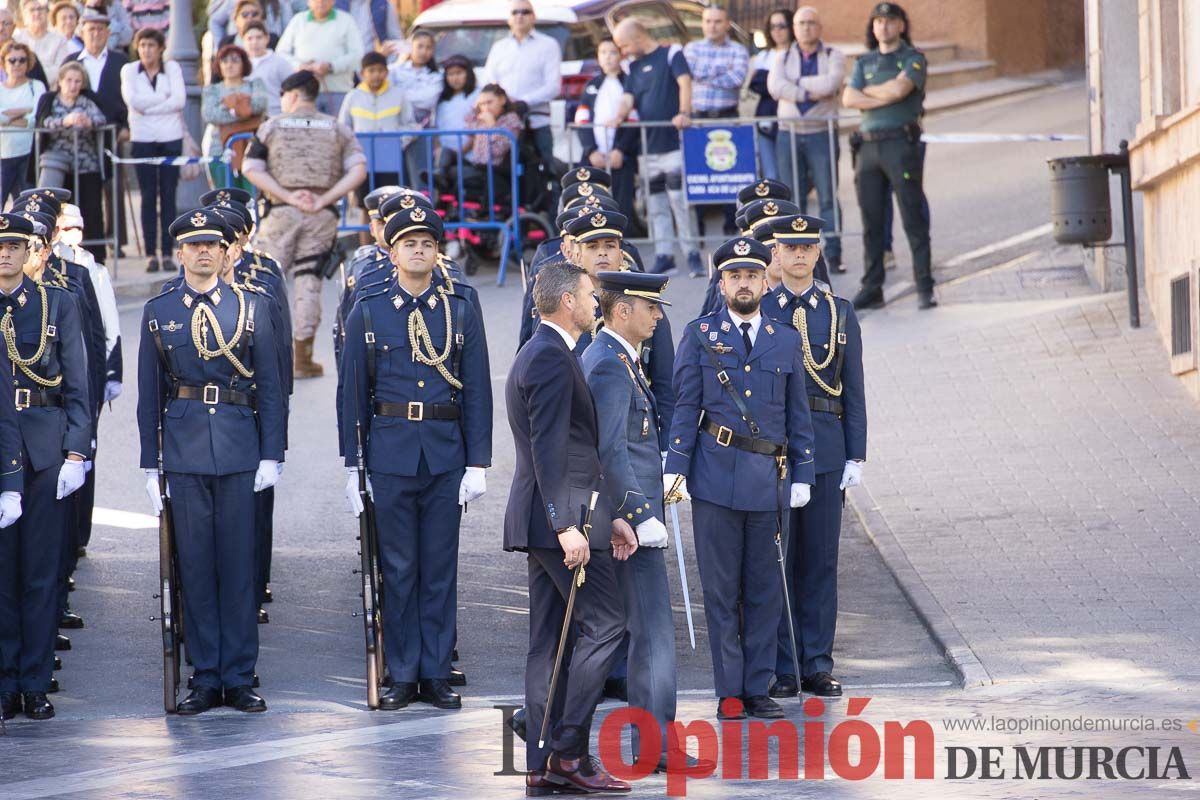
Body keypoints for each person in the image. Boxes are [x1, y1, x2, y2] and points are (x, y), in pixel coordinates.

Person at [340, 203, 492, 711]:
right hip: (390, 450)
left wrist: (478, 462)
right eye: (409, 243)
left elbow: (476, 391)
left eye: (427, 243)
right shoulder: (369, 306)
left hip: (445, 452)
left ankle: (435, 671)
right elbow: (352, 393)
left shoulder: (461, 307)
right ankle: (402, 671)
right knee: (399, 567)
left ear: (438, 251)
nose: (419, 250)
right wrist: (352, 464)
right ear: (392, 250)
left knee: (439, 568)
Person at [136, 209, 285, 715]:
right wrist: (149, 464)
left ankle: (239, 676)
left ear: (226, 254)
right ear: (180, 253)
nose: (203, 252)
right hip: (184, 451)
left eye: (212, 246)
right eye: (193, 245)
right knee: (195, 567)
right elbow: (148, 393)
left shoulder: (252, 308)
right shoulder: (160, 310)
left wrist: (272, 454)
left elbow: (270, 386)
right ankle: (205, 675)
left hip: (241, 447)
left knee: (239, 567)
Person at [664, 235, 815, 720]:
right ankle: (729, 691)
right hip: (713, 480)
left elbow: (798, 416)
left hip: (768, 481)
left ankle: (757, 687)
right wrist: (676, 469)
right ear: (721, 282)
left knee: (766, 588)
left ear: (764, 281)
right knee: (722, 590)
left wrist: (803, 473)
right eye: (735, 276)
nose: (744, 283)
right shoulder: (699, 334)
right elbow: (685, 406)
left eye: (752, 275)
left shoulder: (785, 339)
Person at [503, 260, 636, 794]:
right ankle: (569, 752)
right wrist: (567, 527)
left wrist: (614, 517)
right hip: (561, 521)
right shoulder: (553, 358)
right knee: (606, 625)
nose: (595, 302)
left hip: (554, 516)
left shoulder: (544, 352)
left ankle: (540, 754)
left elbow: (573, 453)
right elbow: (550, 449)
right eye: (589, 293)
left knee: (548, 641)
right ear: (566, 303)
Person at [581, 267, 700, 772]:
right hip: (630, 528)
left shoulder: (619, 358)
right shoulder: (608, 363)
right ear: (622, 310)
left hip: (632, 520)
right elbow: (609, 449)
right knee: (652, 636)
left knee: (646, 635)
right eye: (650, 308)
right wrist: (639, 512)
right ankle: (655, 748)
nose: (657, 317)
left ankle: (653, 745)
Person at [760, 213, 865, 701]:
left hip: (825, 448)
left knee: (821, 562)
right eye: (790, 248)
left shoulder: (839, 311)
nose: (799, 255)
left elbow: (855, 390)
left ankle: (817, 663)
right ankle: (784, 666)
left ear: (818, 253)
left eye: (808, 247)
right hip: (778, 452)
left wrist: (856, 455)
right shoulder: (763, 310)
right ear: (775, 256)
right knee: (779, 562)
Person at [0, 211, 90, 722]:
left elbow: (78, 384)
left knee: (40, 574)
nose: (6, 254)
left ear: (31, 252)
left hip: (42, 448)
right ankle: (4, 681)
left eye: (15, 246)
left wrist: (77, 452)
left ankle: (34, 682)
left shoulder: (57, 303)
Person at [242, 69, 366, 379]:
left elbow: (251, 168)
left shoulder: (271, 126)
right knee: (309, 280)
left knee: (260, 280)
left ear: (293, 95)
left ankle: (248, 352)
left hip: (281, 212)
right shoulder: (337, 128)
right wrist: (325, 199)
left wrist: (286, 195)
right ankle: (302, 357)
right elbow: (358, 170)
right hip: (321, 216)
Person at [842, 1, 933, 310]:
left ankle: (924, 285)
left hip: (900, 145)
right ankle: (872, 286)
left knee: (912, 216)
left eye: (890, 21)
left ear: (901, 26)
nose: (883, 26)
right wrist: (882, 91)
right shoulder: (863, 61)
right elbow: (848, 97)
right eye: (878, 21)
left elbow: (900, 90)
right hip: (867, 148)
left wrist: (868, 93)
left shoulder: (913, 58)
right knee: (872, 221)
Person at [610, 18, 698, 278]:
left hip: (673, 143)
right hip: (647, 148)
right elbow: (628, 97)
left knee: (680, 201)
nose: (622, 52)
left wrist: (684, 112)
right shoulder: (633, 66)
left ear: (637, 38)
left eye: (623, 46)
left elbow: (685, 83)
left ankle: (692, 254)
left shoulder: (671, 54)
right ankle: (664, 256)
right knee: (657, 203)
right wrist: (619, 115)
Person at [768, 6, 846, 275]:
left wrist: (796, 86)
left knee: (827, 195)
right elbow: (775, 87)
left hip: (821, 134)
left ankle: (833, 253)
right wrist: (808, 91)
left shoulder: (834, 55)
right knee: (794, 198)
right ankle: (797, 256)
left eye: (812, 23)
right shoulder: (782, 56)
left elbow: (831, 83)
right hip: (788, 134)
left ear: (819, 27)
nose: (806, 28)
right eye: (801, 23)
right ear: (794, 28)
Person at [121, 27, 184, 273]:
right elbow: (133, 101)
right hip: (143, 138)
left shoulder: (173, 69)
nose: (147, 50)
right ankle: (150, 253)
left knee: (168, 194)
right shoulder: (129, 70)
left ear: (160, 49)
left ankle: (168, 252)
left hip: (170, 137)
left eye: (151, 45)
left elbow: (179, 100)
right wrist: (164, 102)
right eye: (143, 45)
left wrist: (151, 108)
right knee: (148, 195)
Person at [64, 10, 126, 259]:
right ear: (82, 32)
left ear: (108, 33)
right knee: (83, 190)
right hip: (80, 138)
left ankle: (117, 240)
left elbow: (127, 95)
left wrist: (125, 126)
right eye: (91, 29)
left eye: (101, 29)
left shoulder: (120, 60)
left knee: (114, 187)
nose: (96, 34)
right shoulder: (72, 60)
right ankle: (78, 239)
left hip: (113, 130)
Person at [683, 5, 747, 239]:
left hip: (727, 115)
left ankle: (732, 225)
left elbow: (737, 78)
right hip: (698, 118)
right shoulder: (692, 48)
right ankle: (699, 227)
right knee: (699, 172)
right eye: (708, 21)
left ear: (727, 23)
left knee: (730, 172)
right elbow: (691, 73)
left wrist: (705, 75)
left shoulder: (738, 49)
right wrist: (720, 72)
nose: (712, 25)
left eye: (717, 21)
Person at [33, 62, 105, 263]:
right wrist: (65, 121)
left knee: (90, 210)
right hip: (57, 164)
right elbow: (43, 122)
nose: (73, 85)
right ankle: (51, 253)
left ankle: (95, 256)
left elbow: (101, 119)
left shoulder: (86, 101)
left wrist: (88, 122)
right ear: (60, 81)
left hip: (85, 164)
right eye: (69, 81)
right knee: (56, 209)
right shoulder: (51, 101)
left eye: (78, 81)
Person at [573, 39, 640, 233]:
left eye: (613, 52)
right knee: (593, 198)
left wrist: (621, 149)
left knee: (622, 200)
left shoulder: (629, 83)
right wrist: (591, 150)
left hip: (620, 157)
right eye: (603, 52)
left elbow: (634, 120)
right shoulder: (592, 85)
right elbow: (582, 120)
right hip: (596, 156)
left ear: (621, 56)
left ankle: (622, 241)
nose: (608, 57)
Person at [482, 0, 559, 163]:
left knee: (545, 170)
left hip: (537, 121)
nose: (520, 16)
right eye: (515, 12)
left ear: (533, 17)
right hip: (505, 123)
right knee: (507, 171)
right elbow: (489, 82)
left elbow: (553, 86)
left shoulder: (548, 45)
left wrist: (525, 102)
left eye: (525, 12)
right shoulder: (499, 47)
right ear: (509, 19)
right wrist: (505, 103)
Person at [339, 50, 414, 196]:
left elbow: (410, 125)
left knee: (391, 201)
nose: (376, 75)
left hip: (391, 159)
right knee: (365, 203)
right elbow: (343, 128)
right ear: (362, 73)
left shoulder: (399, 94)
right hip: (363, 159)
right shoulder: (352, 96)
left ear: (386, 72)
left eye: (380, 70)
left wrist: (398, 143)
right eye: (371, 71)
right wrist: (353, 149)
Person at [275, 0, 363, 116]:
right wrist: (301, 66)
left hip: (338, 91)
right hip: (304, 94)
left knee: (336, 131)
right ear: (308, 2)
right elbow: (281, 53)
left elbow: (357, 54)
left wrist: (331, 66)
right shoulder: (298, 20)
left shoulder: (346, 20)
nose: (321, 2)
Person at [201, 44, 267, 192]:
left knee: (253, 199)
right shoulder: (211, 90)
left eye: (235, 60)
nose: (229, 65)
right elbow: (210, 115)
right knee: (226, 200)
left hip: (253, 149)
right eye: (224, 61)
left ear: (244, 63)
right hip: (220, 150)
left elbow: (259, 105)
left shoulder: (256, 84)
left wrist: (227, 105)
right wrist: (245, 110)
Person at [388, 29, 440, 189]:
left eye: (428, 47)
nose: (424, 51)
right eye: (420, 46)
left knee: (420, 180)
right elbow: (389, 95)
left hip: (421, 131)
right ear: (411, 47)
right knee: (396, 180)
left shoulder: (437, 75)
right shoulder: (395, 70)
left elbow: (428, 100)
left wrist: (401, 95)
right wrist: (403, 97)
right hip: (396, 128)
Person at [749, 10, 792, 182]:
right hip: (766, 120)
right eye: (773, 26)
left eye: (782, 26)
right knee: (771, 175)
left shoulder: (797, 54)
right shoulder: (763, 56)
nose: (777, 31)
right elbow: (755, 84)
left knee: (788, 174)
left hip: (789, 121)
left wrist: (771, 82)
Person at [0, 40, 44, 204]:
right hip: (3, 155)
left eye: (22, 60)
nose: (17, 64)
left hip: (28, 155)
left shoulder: (37, 86)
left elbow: (34, 119)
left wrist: (6, 119)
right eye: (12, 60)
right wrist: (23, 110)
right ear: (4, 63)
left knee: (28, 207)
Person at [433, 53, 477, 176]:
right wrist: (438, 151)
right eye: (450, 74)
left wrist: (460, 152)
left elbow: (477, 130)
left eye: (459, 73)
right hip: (443, 157)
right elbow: (437, 131)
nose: (455, 78)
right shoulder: (442, 101)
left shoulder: (477, 96)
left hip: (468, 156)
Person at [14, 0, 70, 86]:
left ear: (47, 14)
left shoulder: (59, 40)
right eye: (32, 10)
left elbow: (61, 69)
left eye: (40, 9)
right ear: (24, 16)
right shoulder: (17, 39)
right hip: (20, 88)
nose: (37, 13)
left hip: (49, 90)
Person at [242, 21, 291, 115]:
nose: (254, 42)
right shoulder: (240, 65)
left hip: (275, 117)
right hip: (246, 120)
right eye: (249, 38)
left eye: (259, 37)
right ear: (243, 41)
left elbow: (292, 91)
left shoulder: (280, 63)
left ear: (267, 38)